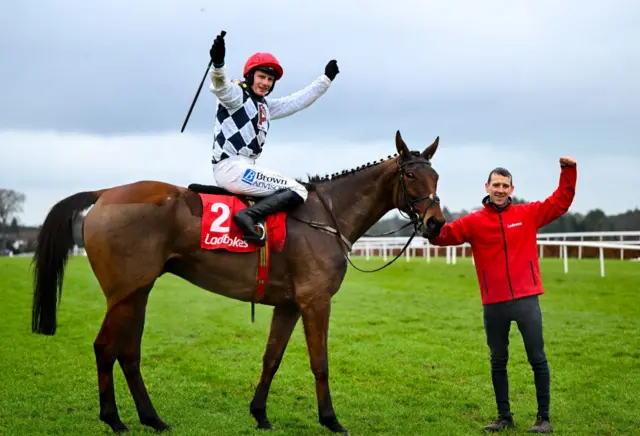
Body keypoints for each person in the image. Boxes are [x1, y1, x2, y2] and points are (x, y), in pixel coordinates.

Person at [428, 157, 578, 433]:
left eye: (504, 185)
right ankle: (504, 417)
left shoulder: (528, 214)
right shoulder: (473, 222)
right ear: (487, 187)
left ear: (511, 189)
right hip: (494, 304)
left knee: (537, 358)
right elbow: (443, 236)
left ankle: (543, 418)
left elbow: (561, 202)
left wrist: (568, 171)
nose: (499, 189)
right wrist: (428, 226)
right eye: (495, 184)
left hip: (526, 301)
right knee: (498, 361)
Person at [207, 30, 339, 245]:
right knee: (297, 189)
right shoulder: (234, 95)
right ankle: (248, 217)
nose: (265, 83)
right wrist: (219, 63)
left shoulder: (265, 106)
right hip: (231, 168)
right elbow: (220, 84)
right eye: (261, 77)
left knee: (293, 187)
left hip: (245, 167)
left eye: (270, 79)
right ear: (250, 76)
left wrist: (325, 80)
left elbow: (297, 101)